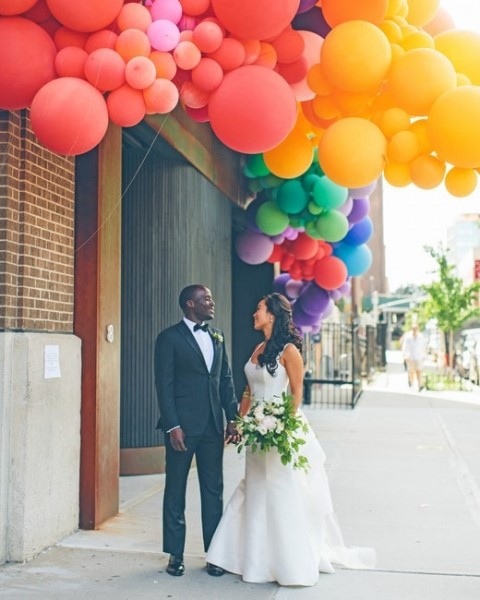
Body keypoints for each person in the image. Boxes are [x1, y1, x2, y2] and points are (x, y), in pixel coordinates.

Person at [206, 293, 376, 587]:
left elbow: (296, 393)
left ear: (272, 315)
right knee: (256, 490)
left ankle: (289, 562)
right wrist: (240, 423)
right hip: (256, 432)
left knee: (281, 490)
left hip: (279, 429)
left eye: (259, 308)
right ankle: (252, 558)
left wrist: (280, 425)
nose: (254, 312)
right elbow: (249, 391)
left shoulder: (289, 351)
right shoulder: (257, 348)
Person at [154, 284, 239, 578]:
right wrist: (173, 425)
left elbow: (225, 379)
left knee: (213, 491)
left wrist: (233, 417)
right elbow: (163, 386)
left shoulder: (218, 336)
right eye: (206, 299)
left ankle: (214, 555)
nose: (211, 303)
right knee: (175, 490)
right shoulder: (168, 339)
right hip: (182, 429)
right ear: (190, 304)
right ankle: (175, 555)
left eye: (212, 298)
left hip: (213, 427)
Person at [401, 322, 427, 391]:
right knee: (411, 371)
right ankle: (411, 384)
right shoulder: (408, 337)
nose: (414, 330)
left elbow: (423, 347)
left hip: (419, 356)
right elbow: (405, 346)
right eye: (413, 329)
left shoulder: (421, 337)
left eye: (416, 329)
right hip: (410, 357)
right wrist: (405, 355)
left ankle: (419, 385)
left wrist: (424, 356)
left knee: (419, 371)